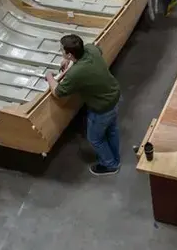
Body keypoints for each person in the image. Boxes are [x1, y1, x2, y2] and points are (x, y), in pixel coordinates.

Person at [46, 34, 121, 176]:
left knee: (95, 138)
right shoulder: (90, 49)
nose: (61, 52)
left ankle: (110, 165)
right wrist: (69, 62)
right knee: (111, 130)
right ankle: (115, 158)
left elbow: (57, 92)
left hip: (101, 107)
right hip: (113, 96)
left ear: (69, 54)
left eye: (62, 51)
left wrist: (50, 77)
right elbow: (97, 50)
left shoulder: (76, 74)